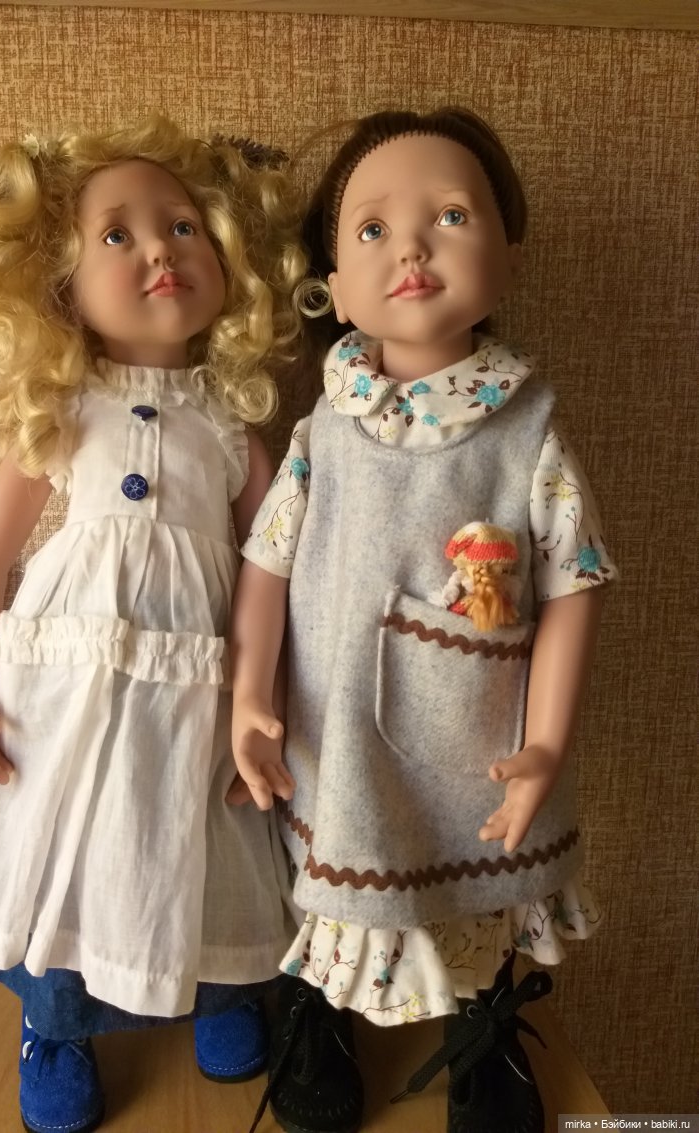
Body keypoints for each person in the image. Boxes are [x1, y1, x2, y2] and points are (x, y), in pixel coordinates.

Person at [0, 116, 305, 1133]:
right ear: (59, 286)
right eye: (118, 235)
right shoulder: (62, 412)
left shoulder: (231, 425)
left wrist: (262, 699)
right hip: (63, 686)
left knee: (201, 828)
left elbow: (275, 572)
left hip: (200, 687)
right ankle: (57, 1022)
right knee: (70, 839)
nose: (160, 250)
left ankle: (224, 985)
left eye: (183, 226)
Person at [231, 108, 618, 1133]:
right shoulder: (322, 428)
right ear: (332, 282)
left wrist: (547, 740)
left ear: (509, 254)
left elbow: (573, 583)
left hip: (482, 732)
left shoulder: (525, 427)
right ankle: (320, 1009)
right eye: (372, 229)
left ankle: (483, 1025)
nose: (410, 248)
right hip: (333, 725)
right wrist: (247, 695)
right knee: (335, 863)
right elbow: (266, 561)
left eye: (449, 216)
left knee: (481, 884)